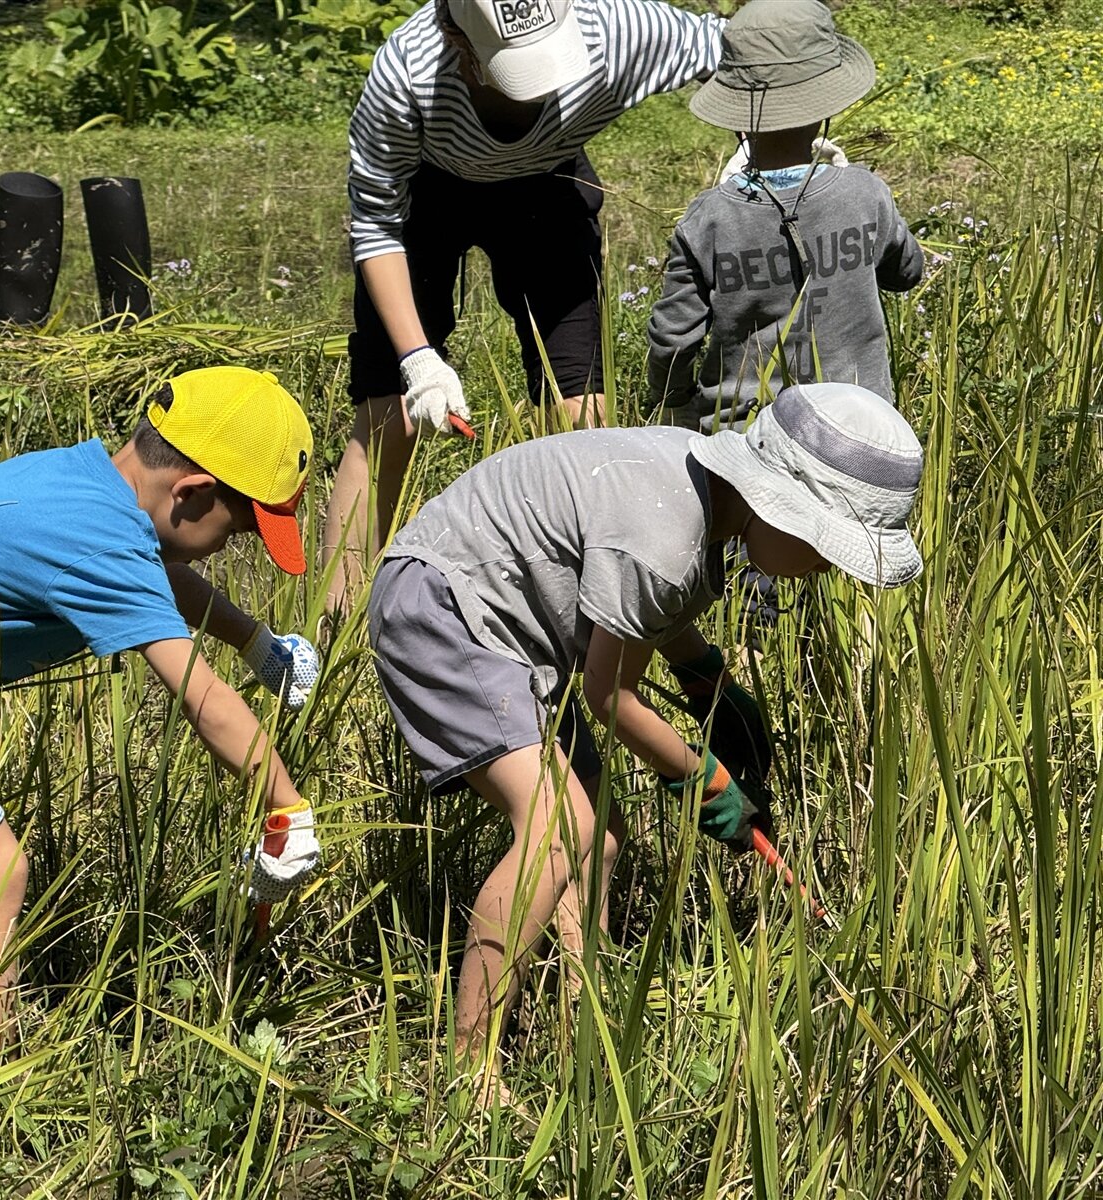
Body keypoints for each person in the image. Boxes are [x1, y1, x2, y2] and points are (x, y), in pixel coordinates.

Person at [367, 382, 923, 1083]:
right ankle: (468, 1075)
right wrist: (705, 782)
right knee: (556, 829)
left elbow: (638, 611)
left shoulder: (699, 490)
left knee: (596, 829)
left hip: (522, 630)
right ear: (777, 503)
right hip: (448, 607)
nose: (821, 571)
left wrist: (707, 678)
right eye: (821, 550)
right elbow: (609, 694)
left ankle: (583, 1014)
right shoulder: (668, 537)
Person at [0, 366, 325, 1034]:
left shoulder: (94, 486)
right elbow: (200, 694)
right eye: (234, 533)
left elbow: (159, 574)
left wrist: (254, 642)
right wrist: (286, 805)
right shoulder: (93, 540)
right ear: (191, 494)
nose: (224, 549)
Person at [323, 0, 724, 608]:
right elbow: (376, 224)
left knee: (582, 415)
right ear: (459, 41)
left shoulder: (615, 33)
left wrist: (767, 149)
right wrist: (418, 361)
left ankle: (580, 621)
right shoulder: (408, 72)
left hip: (548, 187)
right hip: (428, 192)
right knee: (388, 418)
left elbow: (746, 48)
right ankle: (335, 634)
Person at [647, 0, 924, 432]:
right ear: (824, 107)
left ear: (737, 112)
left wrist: (675, 400)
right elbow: (906, 273)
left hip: (744, 437)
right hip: (858, 429)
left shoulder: (707, 218)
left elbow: (672, 339)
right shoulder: (865, 192)